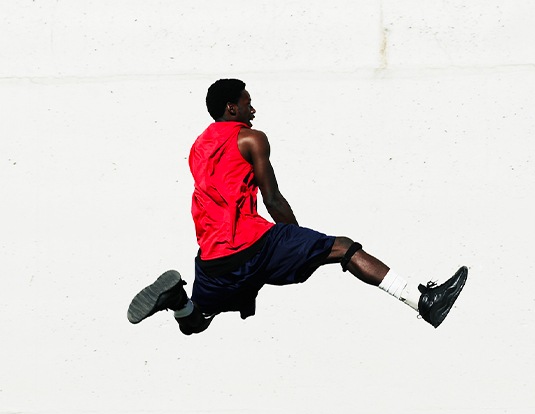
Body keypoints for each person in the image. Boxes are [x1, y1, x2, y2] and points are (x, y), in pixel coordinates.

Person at [127, 78, 468, 335]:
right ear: (232, 108)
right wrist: (298, 239)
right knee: (342, 249)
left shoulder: (198, 147)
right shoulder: (251, 138)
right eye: (248, 104)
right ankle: (423, 302)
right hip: (252, 243)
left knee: (196, 320)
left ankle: (175, 299)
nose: (253, 110)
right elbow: (272, 197)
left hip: (213, 257)